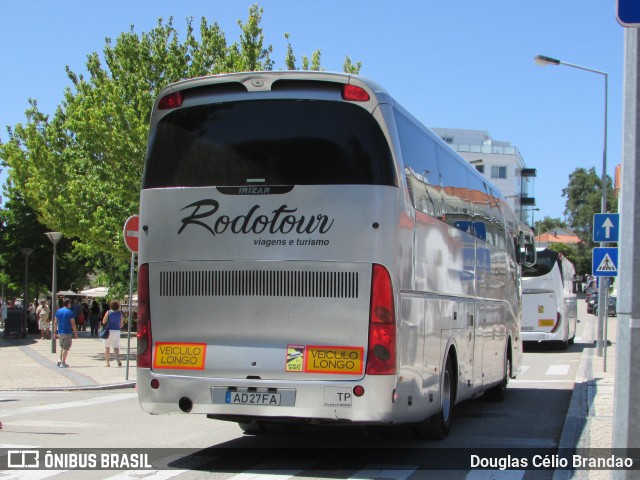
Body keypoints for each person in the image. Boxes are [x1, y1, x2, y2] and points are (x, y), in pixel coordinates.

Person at [53, 298, 78, 368]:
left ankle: (59, 359)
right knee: (66, 348)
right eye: (70, 303)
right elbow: (73, 324)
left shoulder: (58, 311)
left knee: (62, 347)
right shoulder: (70, 312)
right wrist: (75, 333)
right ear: (68, 304)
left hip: (60, 332)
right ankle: (63, 363)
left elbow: (55, 322)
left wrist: (55, 332)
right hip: (67, 332)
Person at [102, 301, 124, 367]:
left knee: (107, 347)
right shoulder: (120, 313)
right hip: (116, 331)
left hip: (109, 331)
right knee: (116, 347)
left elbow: (103, 321)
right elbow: (122, 323)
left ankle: (107, 363)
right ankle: (118, 360)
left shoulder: (108, 312)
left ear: (110, 306)